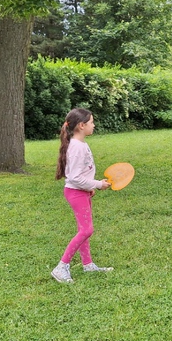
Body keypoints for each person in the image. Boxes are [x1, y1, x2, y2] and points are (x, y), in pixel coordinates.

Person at [51, 108, 112, 283]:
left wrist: (89, 186)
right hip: (76, 192)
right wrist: (97, 184)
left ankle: (88, 265)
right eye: (91, 122)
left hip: (81, 191)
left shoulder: (80, 144)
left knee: (83, 230)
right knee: (86, 230)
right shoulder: (77, 147)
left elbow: (81, 174)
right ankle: (61, 267)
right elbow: (75, 177)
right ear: (81, 125)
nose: (94, 125)